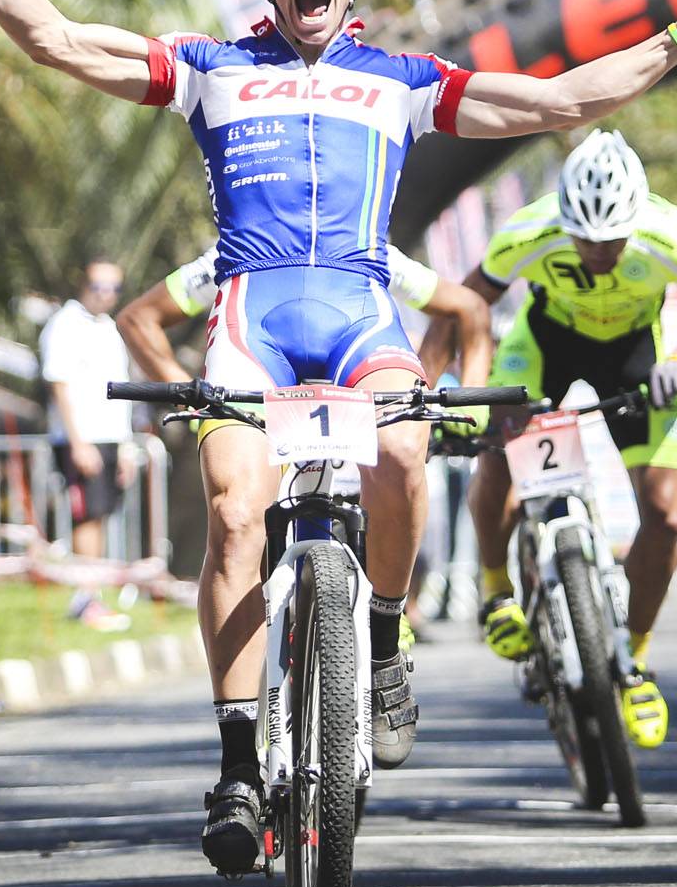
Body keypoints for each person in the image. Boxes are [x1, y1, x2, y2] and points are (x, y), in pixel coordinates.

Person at [0, 0, 677, 875]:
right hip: (250, 317)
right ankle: (233, 766)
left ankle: (386, 645)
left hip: (360, 315)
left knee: (403, 457)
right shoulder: (211, 67)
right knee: (231, 513)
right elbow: (58, 40)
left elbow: (563, 98)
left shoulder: (399, 83)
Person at [463, 132, 677, 746]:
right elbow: (468, 301)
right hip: (544, 346)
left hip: (635, 357)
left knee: (664, 514)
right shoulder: (529, 231)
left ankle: (634, 659)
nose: (597, 251)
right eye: (584, 238)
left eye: (611, 240)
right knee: (496, 449)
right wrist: (473, 389)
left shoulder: (674, 234)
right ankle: (495, 588)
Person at [118, 238, 491, 654]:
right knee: (249, 543)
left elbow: (467, 306)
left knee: (397, 519)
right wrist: (200, 402)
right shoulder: (239, 252)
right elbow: (137, 319)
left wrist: (425, 394)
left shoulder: (369, 248)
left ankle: (390, 625)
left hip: (358, 449)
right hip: (279, 444)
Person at [38, 259, 137, 629]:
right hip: (81, 437)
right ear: (84, 284)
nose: (105, 295)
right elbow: (59, 385)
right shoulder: (65, 324)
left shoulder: (109, 328)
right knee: (87, 519)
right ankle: (86, 597)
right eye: (98, 286)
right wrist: (78, 443)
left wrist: (126, 446)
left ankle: (92, 594)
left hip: (110, 436)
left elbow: (120, 391)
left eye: (113, 288)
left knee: (101, 516)